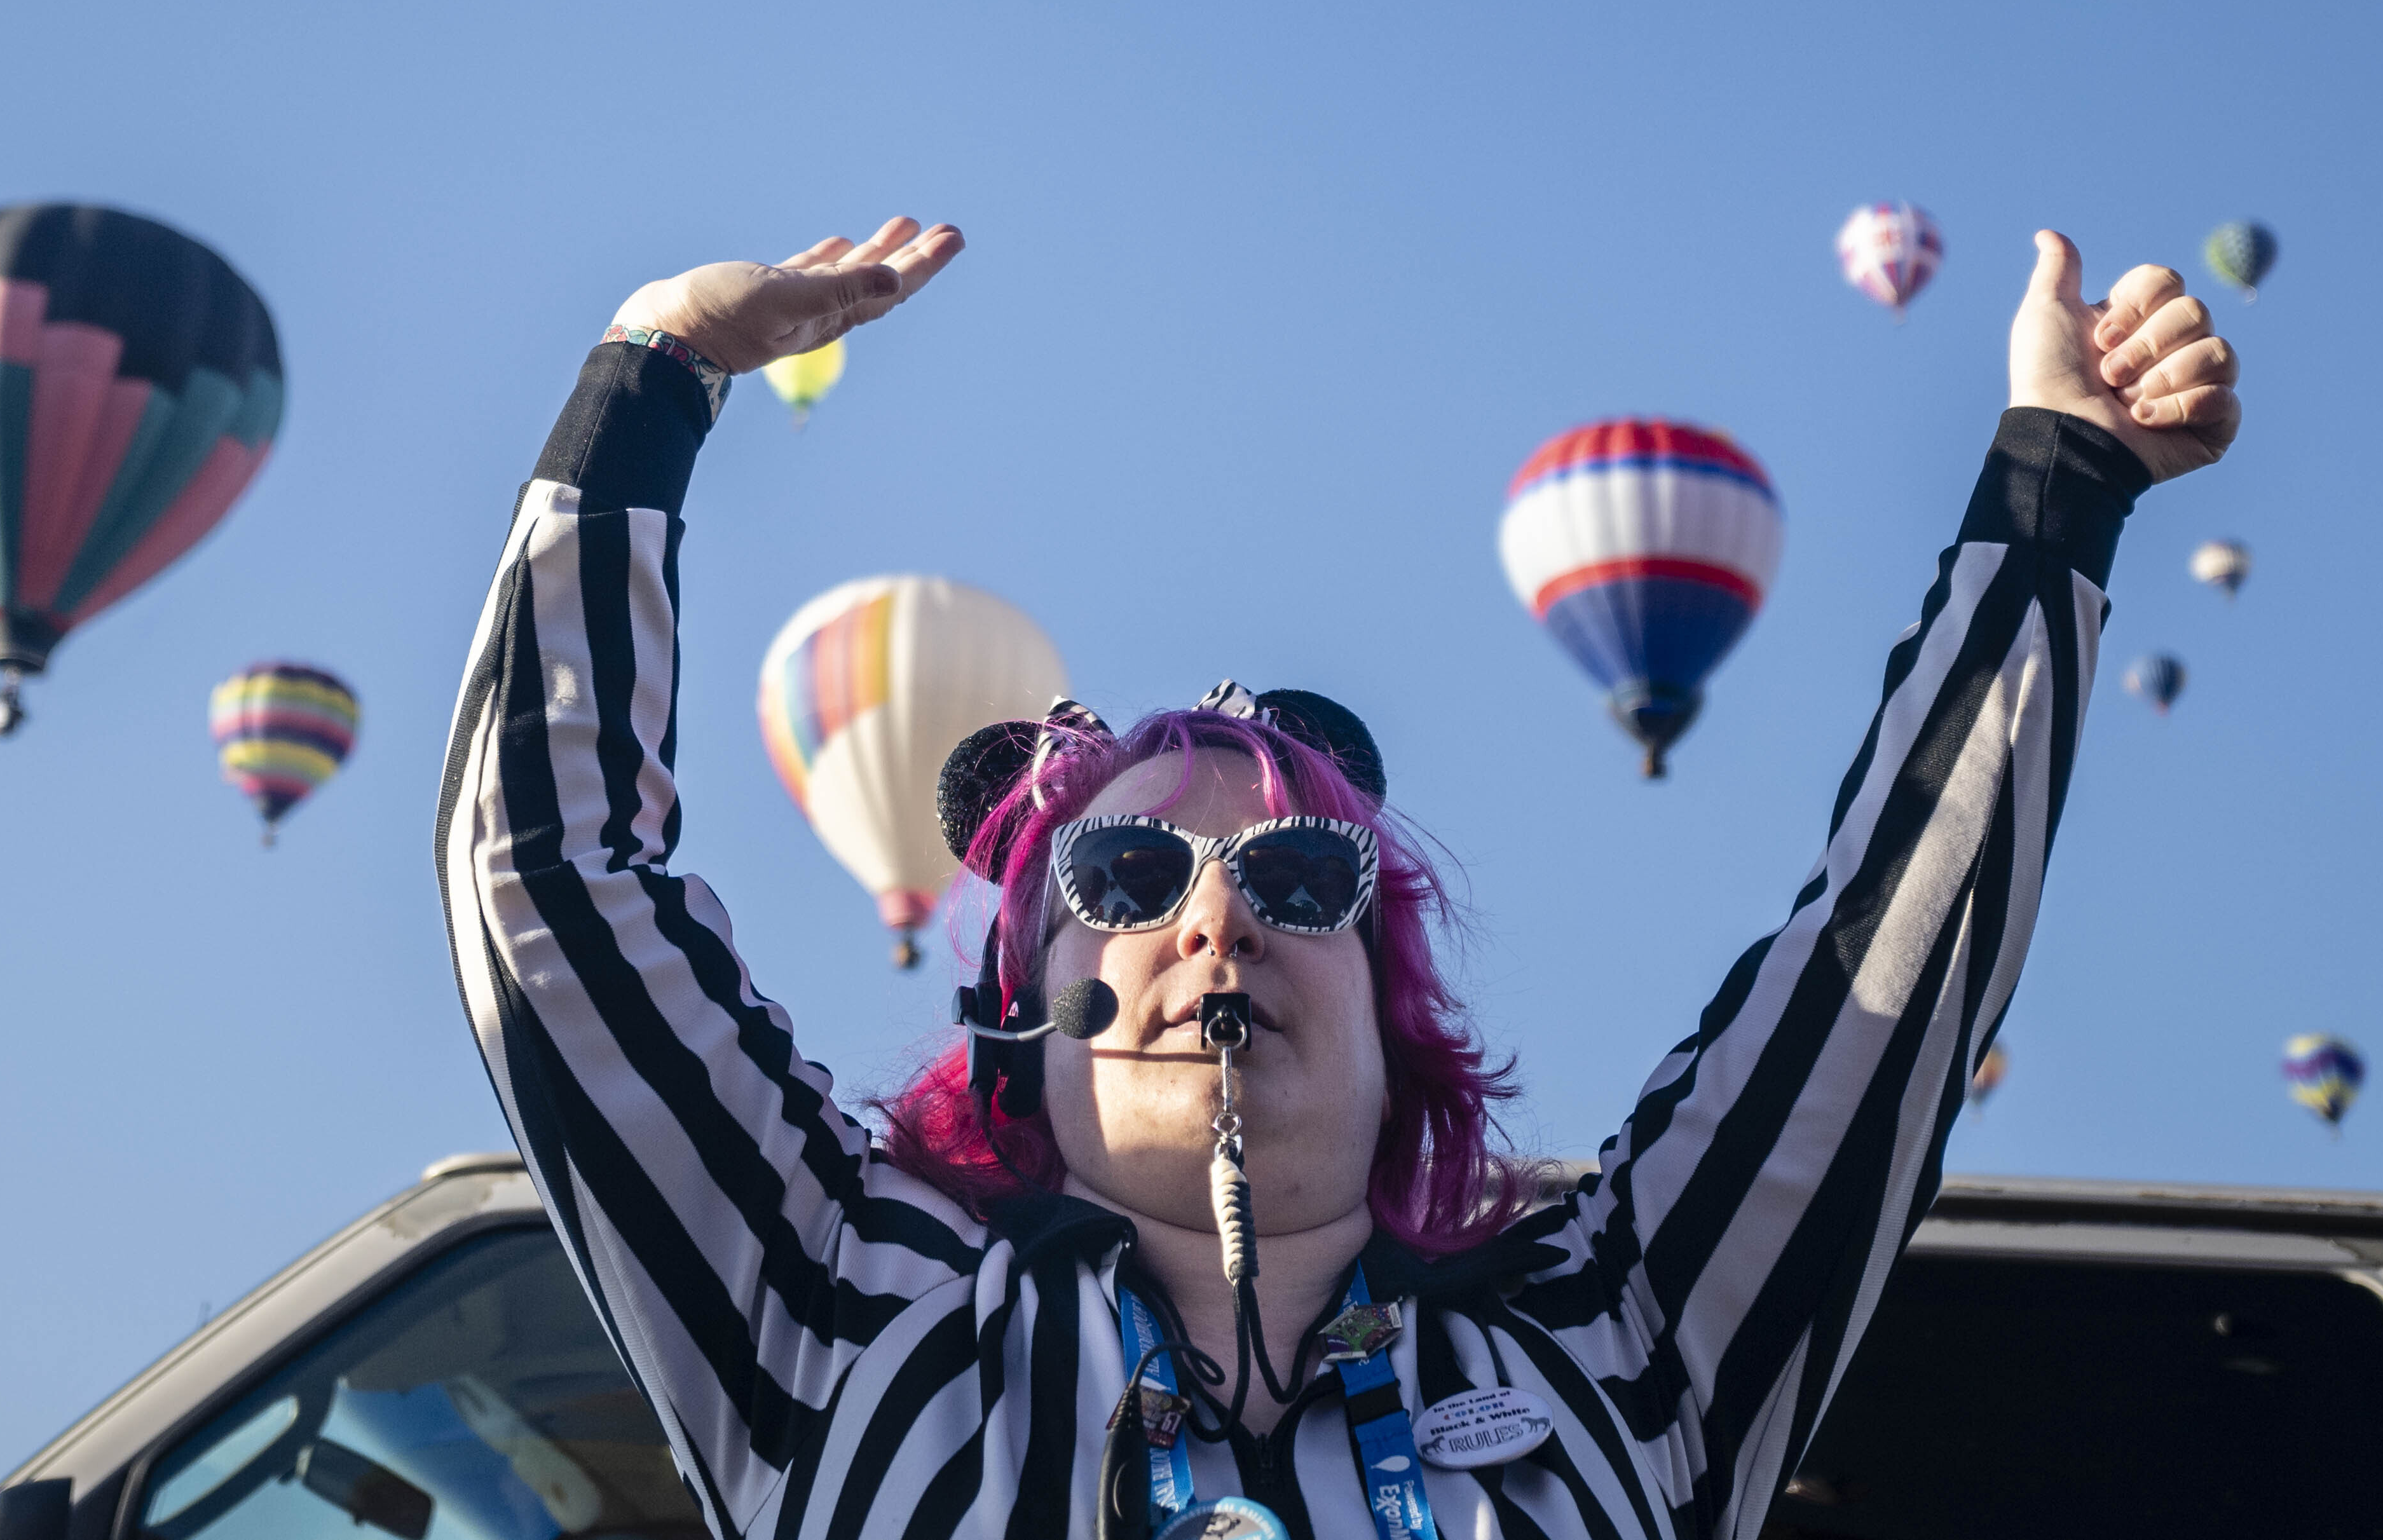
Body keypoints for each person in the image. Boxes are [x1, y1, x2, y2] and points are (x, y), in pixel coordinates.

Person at [442, 216, 2239, 1540]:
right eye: (1126, 873)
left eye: (1304, 878)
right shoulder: (838, 1298)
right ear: (1016, 1016)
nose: (1214, 916)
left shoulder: (1619, 1328)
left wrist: (2060, 481)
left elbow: (1889, 959)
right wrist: (653, 372)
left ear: (1394, 1015)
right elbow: (546, 876)